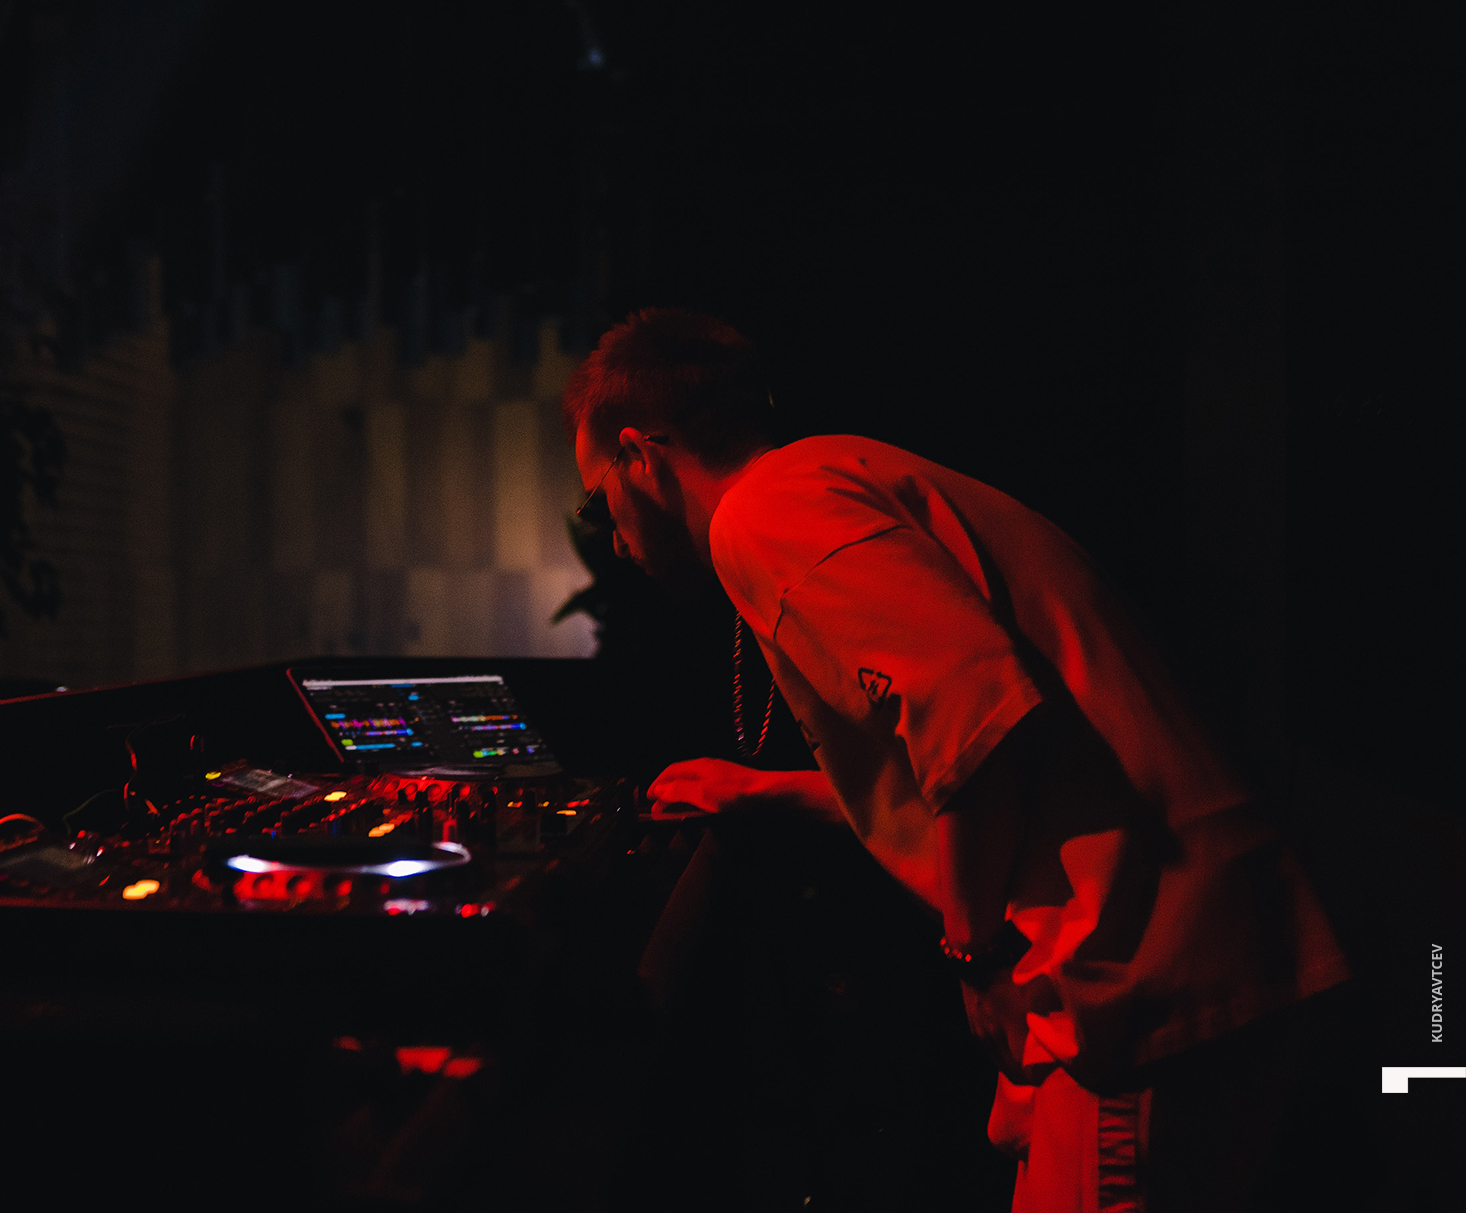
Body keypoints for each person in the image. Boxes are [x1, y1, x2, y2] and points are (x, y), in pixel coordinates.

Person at [565, 307, 1351, 1212]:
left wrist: (974, 956)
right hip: (1187, 942)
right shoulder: (836, 469)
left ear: (640, 455)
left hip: (1131, 971)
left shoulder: (763, 512)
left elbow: (979, 714)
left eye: (595, 500)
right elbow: (964, 747)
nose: (609, 535)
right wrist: (762, 789)